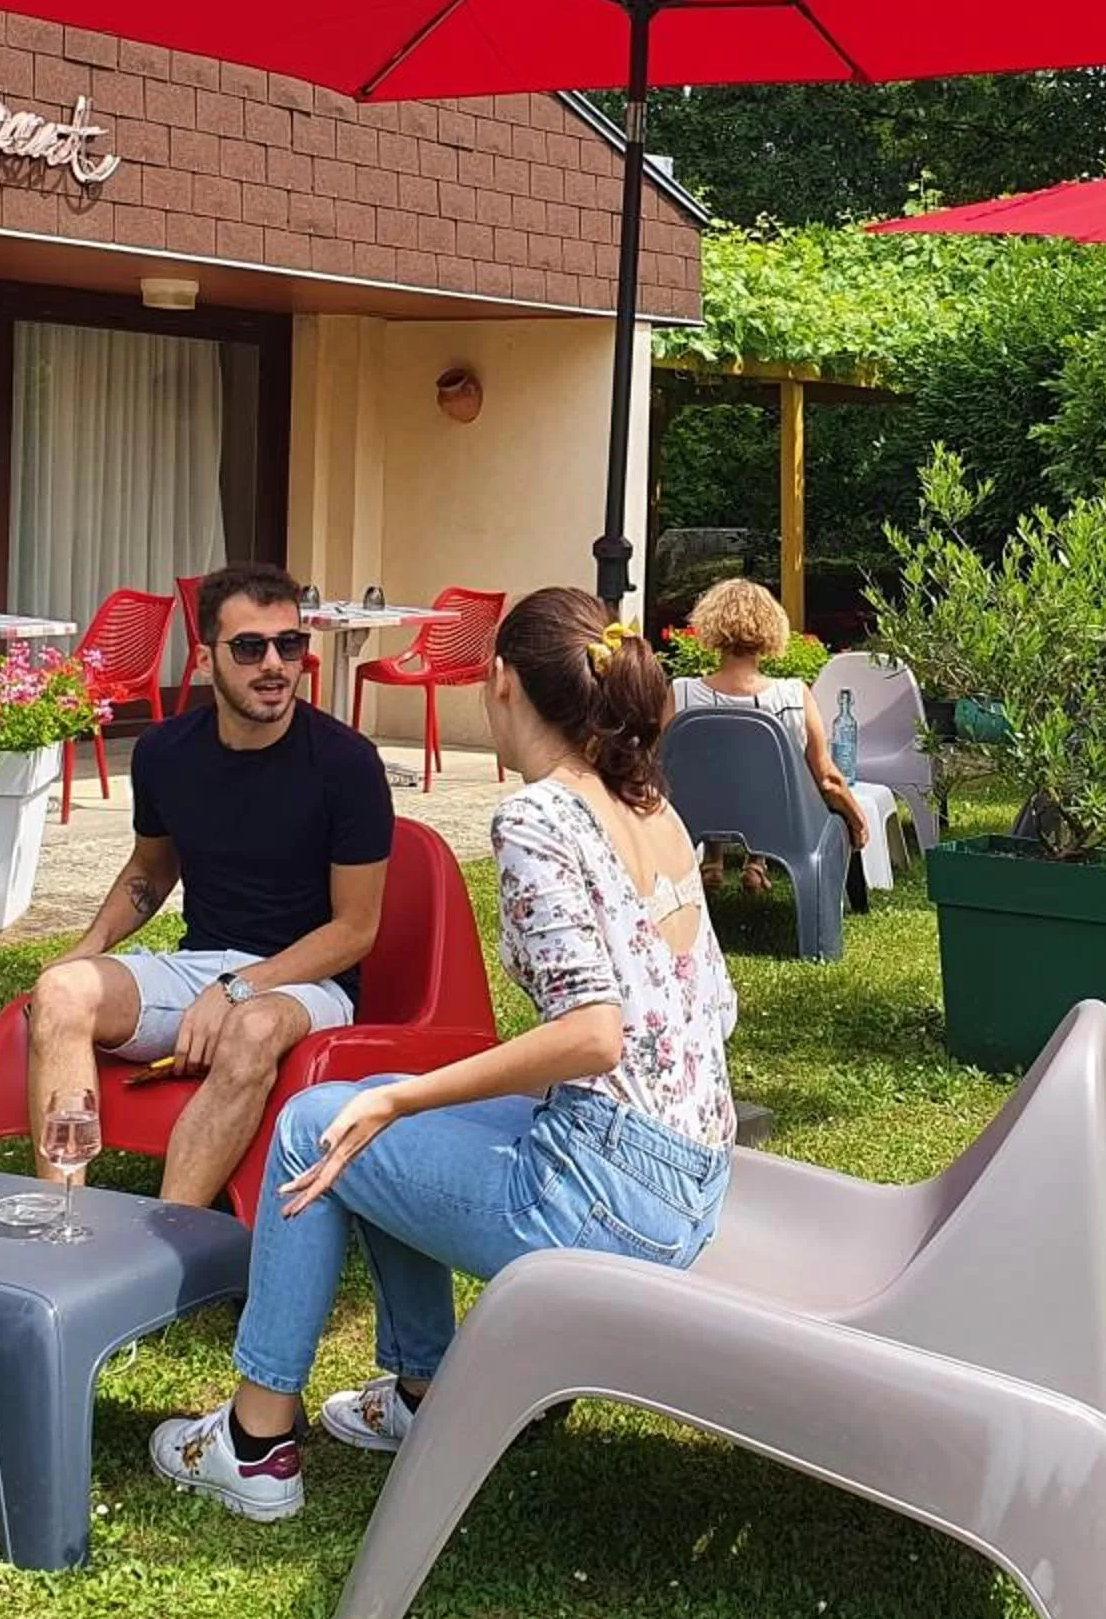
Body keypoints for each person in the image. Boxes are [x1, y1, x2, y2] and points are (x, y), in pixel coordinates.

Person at [148, 585, 737, 1524]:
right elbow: (707, 1009)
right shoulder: (651, 805)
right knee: (375, 1102)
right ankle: (426, 1393)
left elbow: (593, 1034)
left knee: (317, 1126)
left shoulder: (539, 816)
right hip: (695, 1180)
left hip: (605, 1201)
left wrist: (402, 1101)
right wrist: (401, 1098)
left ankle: (254, 1445)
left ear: (499, 683)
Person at [25, 563, 392, 1209]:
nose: (274, 664)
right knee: (61, 993)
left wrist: (241, 990)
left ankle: (168, 1240)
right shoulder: (166, 753)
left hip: (310, 986)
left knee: (250, 1030)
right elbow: (150, 869)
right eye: (250, 648)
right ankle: (65, 1220)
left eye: (289, 645)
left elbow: (354, 931)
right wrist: (88, 948)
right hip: (204, 966)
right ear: (204, 658)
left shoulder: (347, 765)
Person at [670, 577, 868, 853]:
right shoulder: (794, 696)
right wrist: (858, 818)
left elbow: (659, 764)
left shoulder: (681, 695)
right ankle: (758, 864)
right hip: (778, 821)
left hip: (696, 818)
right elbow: (827, 780)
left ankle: (715, 860)